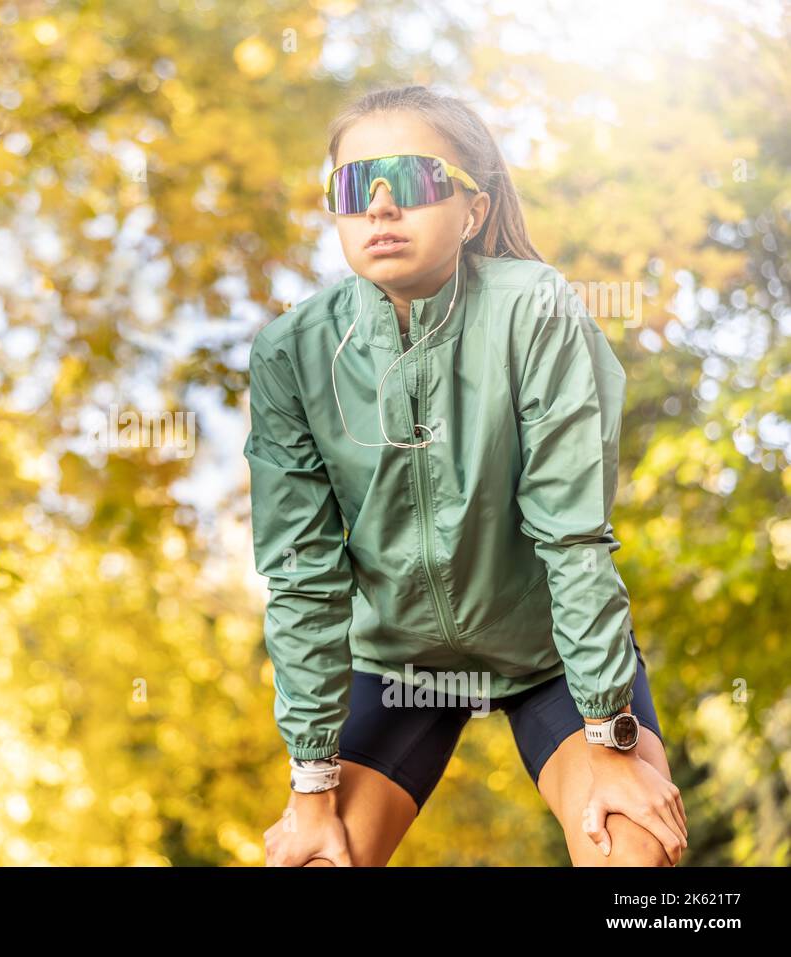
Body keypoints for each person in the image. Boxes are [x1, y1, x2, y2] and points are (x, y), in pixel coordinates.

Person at [243, 85, 687, 867]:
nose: (380, 208)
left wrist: (614, 736)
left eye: (409, 182)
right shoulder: (292, 354)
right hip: (395, 663)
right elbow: (303, 579)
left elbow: (574, 535)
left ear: (473, 211)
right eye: (354, 188)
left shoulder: (536, 310)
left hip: (550, 658)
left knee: (631, 851)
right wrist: (311, 786)